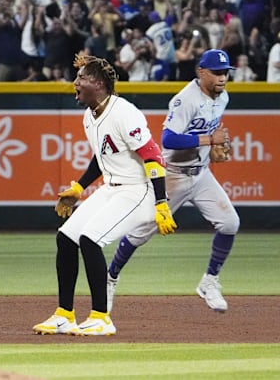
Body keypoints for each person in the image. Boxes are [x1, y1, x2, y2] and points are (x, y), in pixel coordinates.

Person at [33, 54, 176, 337]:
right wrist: (79, 188)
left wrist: (161, 203)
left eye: (82, 77)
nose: (75, 82)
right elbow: (102, 157)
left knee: (90, 239)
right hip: (111, 189)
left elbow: (153, 156)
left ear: (98, 83)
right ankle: (64, 314)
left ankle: (101, 317)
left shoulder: (124, 112)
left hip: (138, 191)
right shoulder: (90, 115)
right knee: (66, 237)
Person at [106, 49, 239, 314]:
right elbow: (169, 139)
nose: (222, 78)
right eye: (216, 73)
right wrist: (208, 140)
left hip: (201, 174)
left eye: (225, 73)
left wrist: (213, 145)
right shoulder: (185, 100)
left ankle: (209, 281)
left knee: (229, 223)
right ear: (201, 72)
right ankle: (109, 278)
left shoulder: (222, 97)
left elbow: (209, 132)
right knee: (140, 233)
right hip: (174, 175)